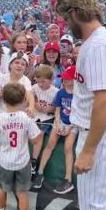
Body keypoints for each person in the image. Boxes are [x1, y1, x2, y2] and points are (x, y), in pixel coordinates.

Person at [56, 0, 106, 210]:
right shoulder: (96, 42)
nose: (67, 25)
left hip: (101, 138)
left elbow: (104, 100)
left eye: (67, 19)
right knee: (92, 207)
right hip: (99, 135)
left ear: (75, 12)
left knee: (94, 209)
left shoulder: (98, 45)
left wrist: (88, 150)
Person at [0, 83, 41, 210]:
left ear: (4, 99)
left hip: (4, 161)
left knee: (2, 189)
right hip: (23, 161)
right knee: (22, 193)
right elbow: (36, 140)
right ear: (23, 100)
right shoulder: (27, 118)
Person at [32, 65, 77, 195]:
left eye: (68, 79)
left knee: (68, 148)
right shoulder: (61, 92)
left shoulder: (79, 95)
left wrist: (68, 128)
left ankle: (68, 179)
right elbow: (57, 110)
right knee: (49, 145)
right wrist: (57, 123)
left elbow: (79, 114)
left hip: (73, 125)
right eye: (64, 79)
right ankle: (40, 173)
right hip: (60, 122)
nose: (65, 81)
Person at [30, 65, 59, 177]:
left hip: (47, 117)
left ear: (51, 80)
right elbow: (31, 99)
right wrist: (36, 105)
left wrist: (50, 108)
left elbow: (57, 107)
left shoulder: (55, 91)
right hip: (36, 116)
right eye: (38, 81)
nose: (40, 84)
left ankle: (34, 161)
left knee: (40, 134)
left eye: (43, 81)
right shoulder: (35, 87)